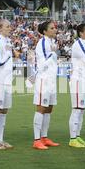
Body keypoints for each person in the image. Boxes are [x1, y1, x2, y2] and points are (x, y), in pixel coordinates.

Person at [0, 19, 18, 150]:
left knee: (4, 111)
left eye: (10, 26)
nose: (10, 28)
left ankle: (0, 139)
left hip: (7, 81)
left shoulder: (7, 42)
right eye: (7, 26)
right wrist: (9, 54)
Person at [32, 20, 60, 150]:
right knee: (41, 108)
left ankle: (44, 137)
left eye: (55, 28)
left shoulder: (51, 43)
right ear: (45, 31)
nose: (55, 29)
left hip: (51, 80)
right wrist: (53, 54)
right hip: (44, 79)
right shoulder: (43, 42)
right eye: (52, 28)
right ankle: (37, 139)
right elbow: (42, 64)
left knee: (49, 109)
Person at [68, 23, 85, 148]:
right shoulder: (78, 44)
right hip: (78, 81)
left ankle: (77, 136)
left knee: (81, 110)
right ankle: (73, 139)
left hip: (84, 80)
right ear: (81, 33)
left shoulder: (84, 44)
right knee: (77, 110)